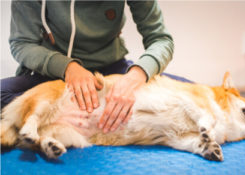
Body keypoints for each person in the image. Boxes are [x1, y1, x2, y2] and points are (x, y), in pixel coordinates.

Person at [1, 0, 174, 133]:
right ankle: (65, 116)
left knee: (184, 96)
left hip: (111, 72)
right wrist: (68, 68)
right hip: (54, 74)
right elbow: (22, 44)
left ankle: (75, 116)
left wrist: (136, 75)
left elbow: (161, 40)